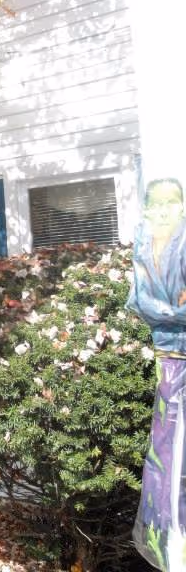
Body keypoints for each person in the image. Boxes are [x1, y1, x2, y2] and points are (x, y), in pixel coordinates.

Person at [129, 178, 186, 572]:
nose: (163, 209)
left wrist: (167, 311)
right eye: (156, 203)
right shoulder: (144, 245)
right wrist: (171, 311)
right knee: (167, 448)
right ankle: (169, 537)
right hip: (168, 359)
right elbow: (139, 300)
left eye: (171, 202)